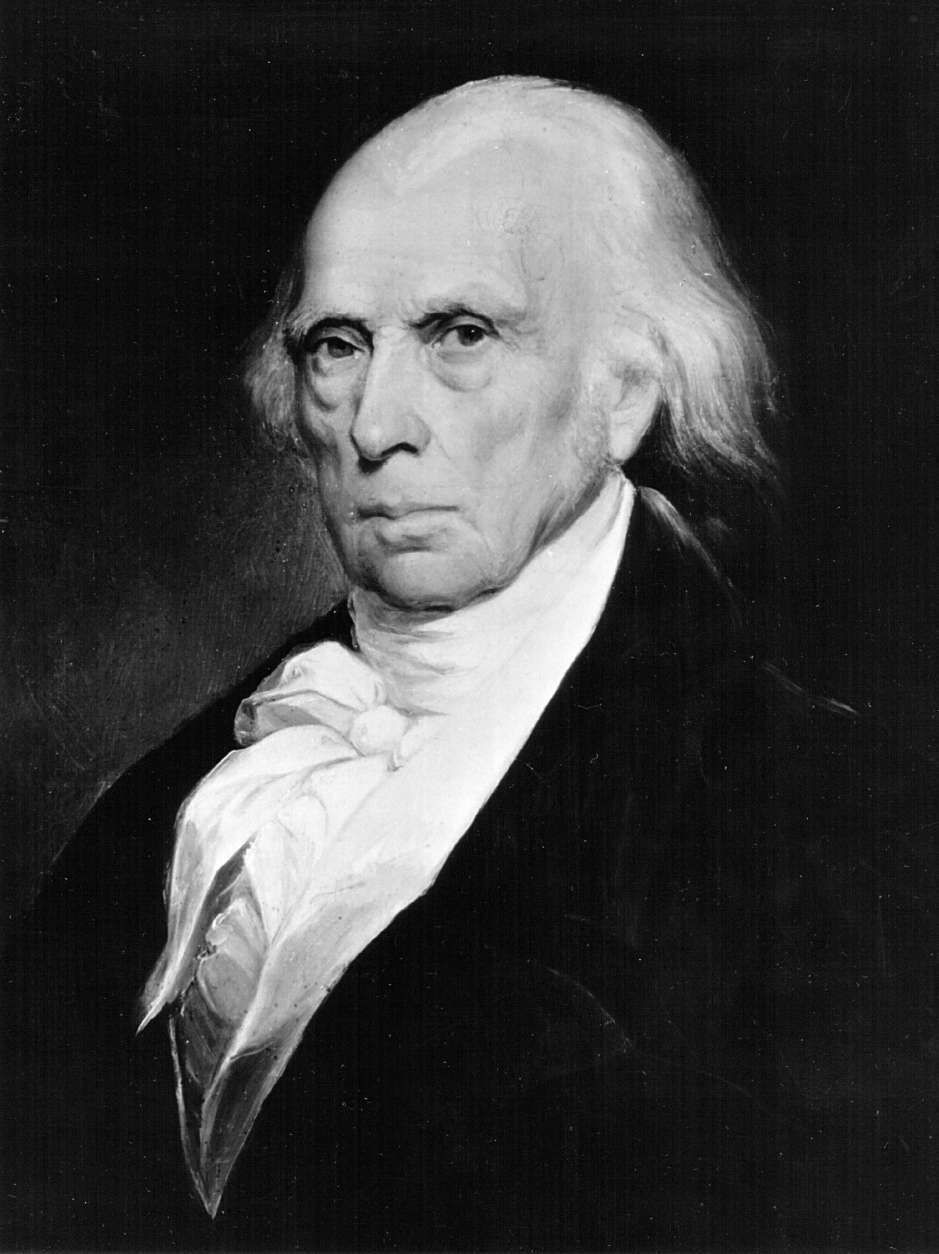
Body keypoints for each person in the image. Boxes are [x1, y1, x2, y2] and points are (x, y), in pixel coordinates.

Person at [2, 76, 935, 1251]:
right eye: (337, 345)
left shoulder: (831, 820)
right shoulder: (170, 802)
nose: (375, 423)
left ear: (624, 390)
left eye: (461, 335)